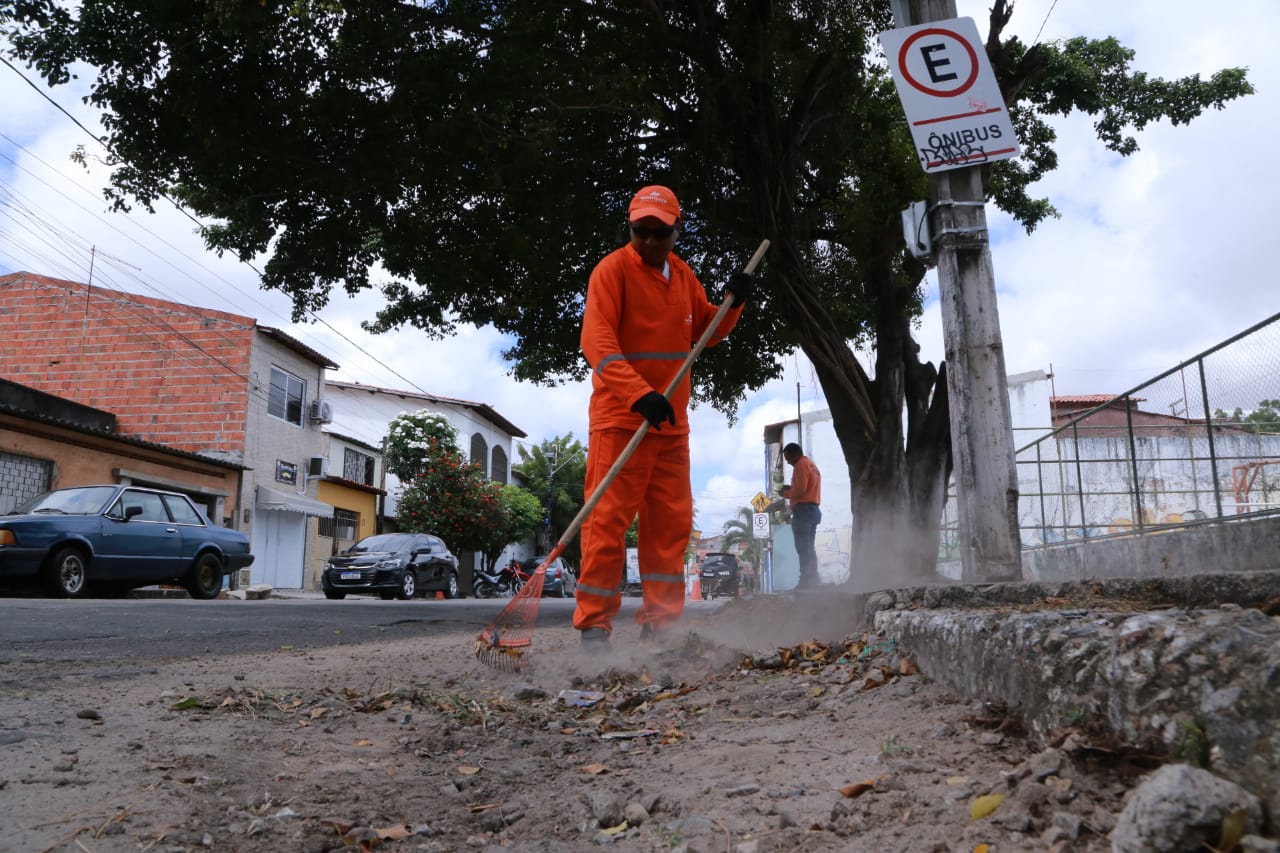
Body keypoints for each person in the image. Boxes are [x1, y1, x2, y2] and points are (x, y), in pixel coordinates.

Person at [574, 184, 753, 652]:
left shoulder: (684, 276)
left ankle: (663, 625)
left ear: (676, 231)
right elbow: (597, 344)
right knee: (607, 524)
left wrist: (735, 303)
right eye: (641, 232)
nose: (651, 241)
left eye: (660, 233)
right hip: (621, 420)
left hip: (670, 427)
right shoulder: (611, 272)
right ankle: (594, 627)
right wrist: (639, 395)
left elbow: (709, 330)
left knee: (669, 528)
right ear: (630, 228)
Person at [781, 442, 822, 588]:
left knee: (803, 548)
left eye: (787, 457)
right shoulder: (811, 464)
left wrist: (785, 493)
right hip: (812, 510)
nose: (787, 461)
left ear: (794, 454)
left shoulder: (800, 465)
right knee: (809, 547)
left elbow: (800, 490)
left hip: (803, 510)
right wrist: (792, 489)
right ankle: (813, 580)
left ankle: (806, 582)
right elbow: (805, 487)